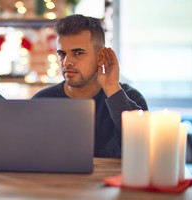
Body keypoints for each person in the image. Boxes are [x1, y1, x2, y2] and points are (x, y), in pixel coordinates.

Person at [32, 14, 148, 158]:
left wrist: (112, 87)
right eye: (62, 54)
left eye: (78, 53)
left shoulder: (130, 98)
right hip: (55, 181)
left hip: (110, 181)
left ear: (100, 57)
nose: (67, 62)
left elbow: (143, 146)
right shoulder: (41, 102)